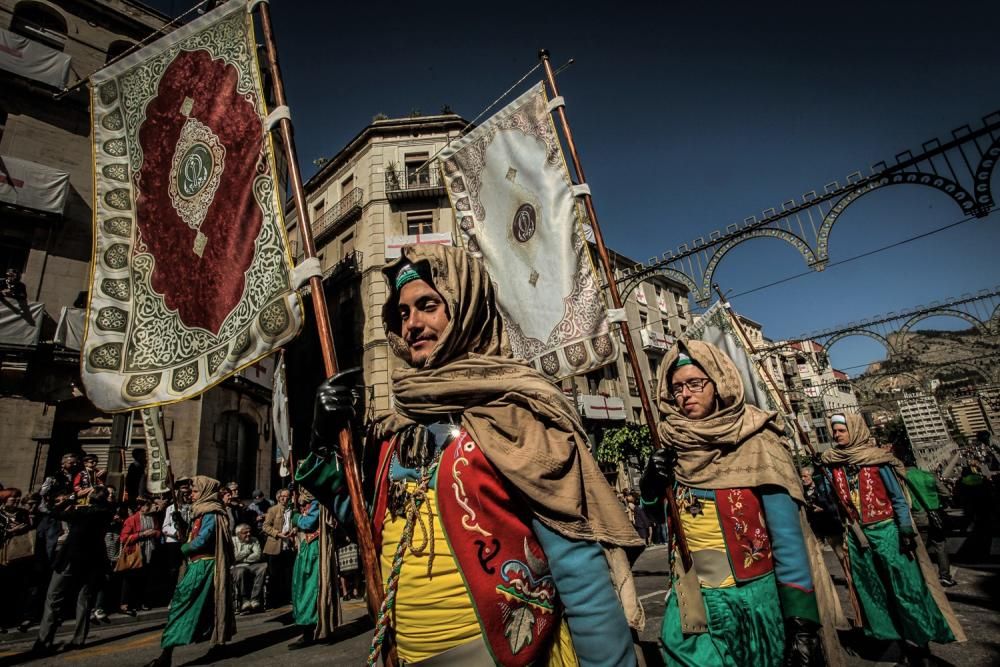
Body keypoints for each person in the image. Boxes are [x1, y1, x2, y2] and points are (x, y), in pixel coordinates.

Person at [309, 245, 644, 666]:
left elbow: (577, 567)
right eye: (401, 314)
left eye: (427, 306)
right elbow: (363, 523)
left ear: (465, 306)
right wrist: (322, 439)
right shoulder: (398, 425)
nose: (411, 324)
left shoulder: (519, 411)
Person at [640, 341, 844, 667]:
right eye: (676, 388)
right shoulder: (671, 447)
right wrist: (650, 485)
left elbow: (787, 539)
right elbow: (653, 517)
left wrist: (801, 625)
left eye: (695, 383)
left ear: (719, 383)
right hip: (693, 601)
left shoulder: (758, 441)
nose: (685, 395)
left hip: (754, 604)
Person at [817, 413, 964, 665]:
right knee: (872, 589)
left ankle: (920, 641)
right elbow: (827, 498)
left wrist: (905, 528)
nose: (836, 435)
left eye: (841, 430)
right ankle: (890, 641)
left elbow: (897, 497)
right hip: (856, 535)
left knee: (906, 587)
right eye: (834, 431)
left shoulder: (877, 460)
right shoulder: (833, 463)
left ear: (854, 430)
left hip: (887, 532)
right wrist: (822, 477)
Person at [144, 476, 235, 667]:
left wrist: (184, 548)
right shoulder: (200, 512)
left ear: (204, 492)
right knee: (198, 606)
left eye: (194, 491)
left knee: (181, 604)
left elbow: (203, 540)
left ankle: (166, 654)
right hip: (196, 565)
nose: (191, 495)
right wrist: (182, 525)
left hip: (205, 566)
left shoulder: (212, 512)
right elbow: (192, 536)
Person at [31, 486, 112, 655]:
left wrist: (73, 496)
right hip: (92, 562)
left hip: (70, 560)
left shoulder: (81, 513)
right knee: (84, 600)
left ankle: (44, 640)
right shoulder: (106, 513)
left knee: (53, 598)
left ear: (90, 498)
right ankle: (79, 638)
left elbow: (49, 510)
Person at [288, 490, 329, 649]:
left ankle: (310, 631)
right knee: (303, 587)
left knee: (311, 589)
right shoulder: (311, 502)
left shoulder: (317, 502)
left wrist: (295, 517)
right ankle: (310, 629)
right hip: (307, 548)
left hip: (314, 549)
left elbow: (307, 523)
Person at [904, 465, 956, 587]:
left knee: (920, 549)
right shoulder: (929, 475)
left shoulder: (903, 476)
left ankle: (923, 578)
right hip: (935, 516)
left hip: (918, 516)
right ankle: (945, 576)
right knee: (940, 545)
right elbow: (946, 493)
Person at [119, 496, 161, 614]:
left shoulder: (153, 518)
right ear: (141, 507)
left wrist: (155, 533)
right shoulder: (132, 519)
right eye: (148, 505)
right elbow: (124, 538)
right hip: (136, 553)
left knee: (145, 579)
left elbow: (158, 531)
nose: (151, 507)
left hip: (149, 552)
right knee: (131, 579)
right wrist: (141, 534)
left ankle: (141, 602)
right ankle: (125, 604)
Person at [262, 488, 295, 608]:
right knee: (274, 575)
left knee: (287, 573)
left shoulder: (292, 510)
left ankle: (286, 598)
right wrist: (277, 533)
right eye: (283, 496)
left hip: (287, 546)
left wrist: (294, 530)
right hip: (274, 546)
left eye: (287, 496)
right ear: (278, 497)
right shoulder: (273, 510)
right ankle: (273, 601)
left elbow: (293, 524)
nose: (285, 498)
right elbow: (265, 526)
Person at [161, 479, 193, 587]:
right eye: (184, 494)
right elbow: (165, 527)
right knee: (174, 569)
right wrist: (175, 533)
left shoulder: (193, 509)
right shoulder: (171, 508)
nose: (187, 496)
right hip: (174, 542)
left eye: (188, 493)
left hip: (188, 540)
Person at [231, 523, 266, 613]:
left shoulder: (254, 540)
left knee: (263, 567)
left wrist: (242, 558)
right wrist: (247, 551)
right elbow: (233, 557)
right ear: (238, 534)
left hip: (251, 565)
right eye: (245, 532)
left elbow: (257, 555)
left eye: (249, 532)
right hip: (236, 567)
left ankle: (255, 599)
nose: (248, 534)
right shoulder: (232, 541)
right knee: (241, 571)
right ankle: (244, 600)